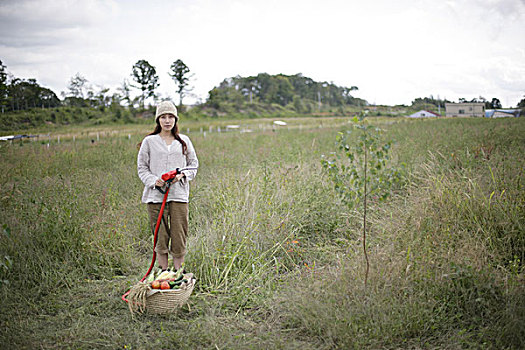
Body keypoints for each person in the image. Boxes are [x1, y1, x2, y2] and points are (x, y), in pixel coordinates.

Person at [137, 101, 198, 271]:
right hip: (155, 196)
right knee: (160, 235)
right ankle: (163, 272)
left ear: (175, 119)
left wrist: (182, 175)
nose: (167, 120)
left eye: (171, 117)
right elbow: (142, 168)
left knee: (179, 233)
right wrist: (153, 181)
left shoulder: (184, 141)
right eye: (163, 117)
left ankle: (178, 273)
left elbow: (193, 164)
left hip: (179, 195)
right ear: (158, 120)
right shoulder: (149, 141)